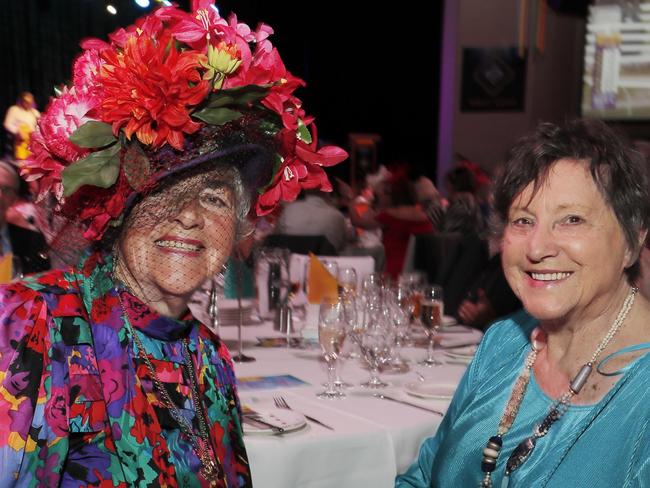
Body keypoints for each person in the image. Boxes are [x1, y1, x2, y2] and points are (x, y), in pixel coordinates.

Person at [0, 3, 346, 487]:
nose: (189, 215)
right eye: (162, 193)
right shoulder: (31, 323)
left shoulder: (209, 358)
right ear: (119, 210)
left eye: (215, 197)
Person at [396, 119, 650, 487]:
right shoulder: (504, 342)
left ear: (632, 239)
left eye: (572, 219)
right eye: (523, 220)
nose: (536, 248)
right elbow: (425, 476)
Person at [0, 159, 49, 275]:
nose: (0, 196)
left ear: (14, 199)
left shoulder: (33, 240)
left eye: (6, 190)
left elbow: (45, 285)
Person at [275, 190, 351, 252]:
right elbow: (343, 247)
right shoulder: (337, 215)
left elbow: (276, 238)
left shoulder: (289, 210)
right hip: (324, 268)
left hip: (291, 266)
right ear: (327, 192)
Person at [3, 91, 40, 160]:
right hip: (18, 141)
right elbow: (7, 124)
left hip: (32, 142)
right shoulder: (14, 110)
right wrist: (17, 132)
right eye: (26, 101)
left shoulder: (35, 112)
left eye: (30, 102)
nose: (28, 104)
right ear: (21, 101)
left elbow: (39, 125)